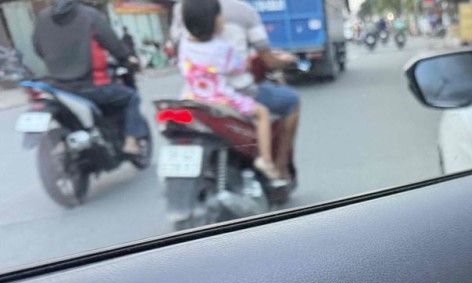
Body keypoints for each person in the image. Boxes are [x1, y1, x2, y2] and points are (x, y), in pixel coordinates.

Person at [171, 0, 300, 182]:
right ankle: (272, 163)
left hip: (192, 96)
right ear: (214, 21)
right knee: (281, 105)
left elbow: (178, 52)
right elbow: (260, 62)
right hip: (227, 96)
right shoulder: (240, 17)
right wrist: (283, 60)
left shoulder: (182, 15)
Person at [32, 0, 147, 156]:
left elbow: (38, 48)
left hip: (59, 87)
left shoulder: (42, 18)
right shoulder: (90, 15)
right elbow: (113, 44)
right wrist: (127, 58)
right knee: (131, 97)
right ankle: (131, 142)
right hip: (91, 84)